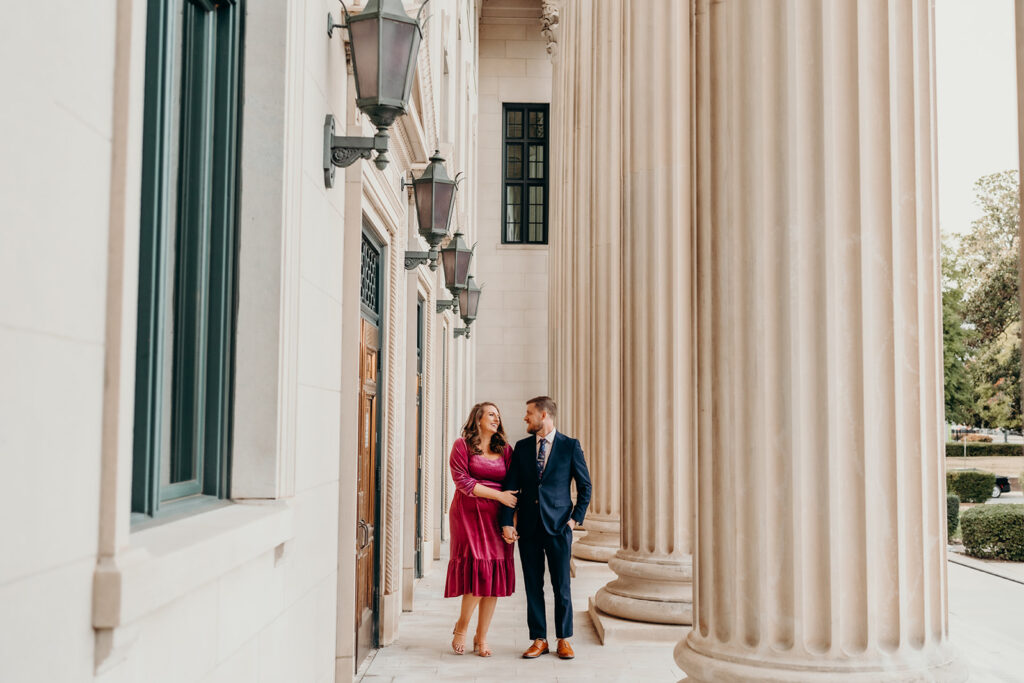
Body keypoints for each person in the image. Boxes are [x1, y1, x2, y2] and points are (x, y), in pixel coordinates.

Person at [500, 396, 592, 660]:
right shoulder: (522, 447)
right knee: (532, 585)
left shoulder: (570, 446)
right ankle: (539, 639)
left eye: (529, 413)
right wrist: (507, 521)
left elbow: (585, 486)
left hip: (559, 527)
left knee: (561, 586)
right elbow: (511, 487)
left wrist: (575, 520)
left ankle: (564, 638)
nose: (525, 418)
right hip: (528, 528)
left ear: (544, 415)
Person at [444, 402, 519, 657]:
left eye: (498, 415)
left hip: (497, 520)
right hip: (467, 517)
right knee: (480, 571)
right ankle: (462, 628)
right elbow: (462, 482)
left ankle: (482, 636)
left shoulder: (505, 450)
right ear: (477, 418)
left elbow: (514, 486)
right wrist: (499, 497)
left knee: (494, 576)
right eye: (491, 414)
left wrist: (512, 522)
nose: (496, 418)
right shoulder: (461, 446)